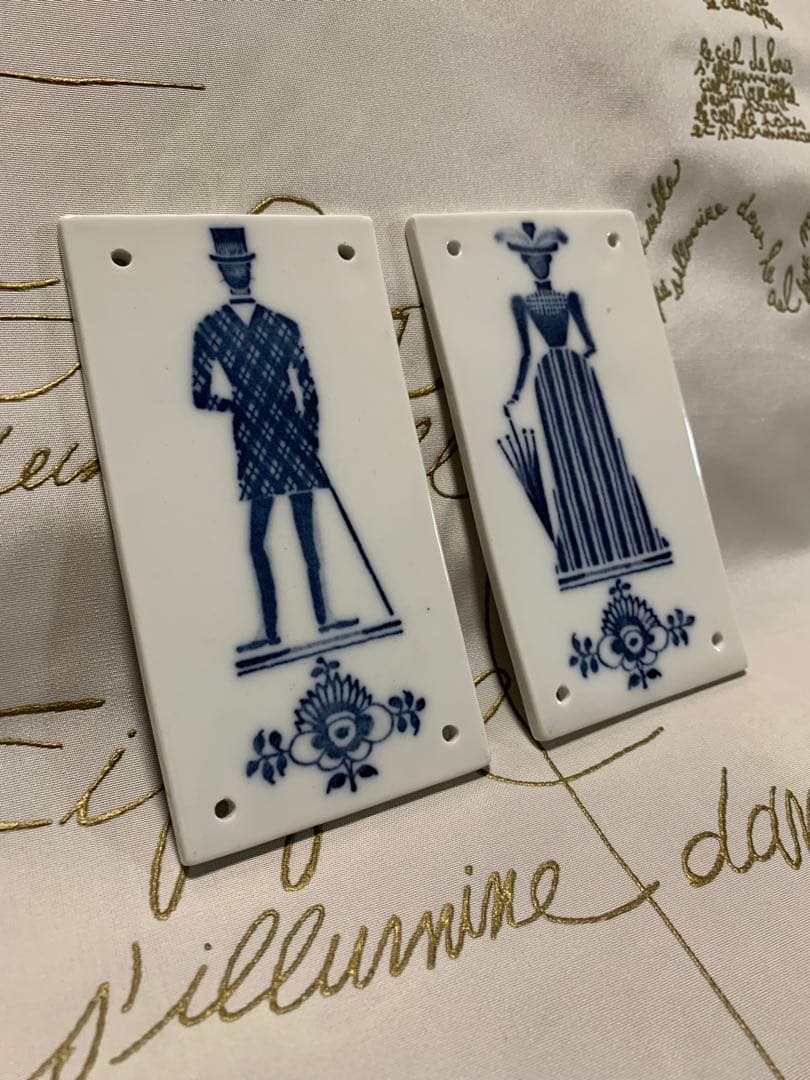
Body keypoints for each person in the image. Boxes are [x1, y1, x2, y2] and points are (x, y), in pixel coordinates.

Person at [192, 226, 357, 644]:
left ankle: (323, 618)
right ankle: (270, 629)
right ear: (221, 271)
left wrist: (311, 432)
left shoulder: (284, 325)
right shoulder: (210, 329)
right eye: (229, 266)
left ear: (249, 266)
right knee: (258, 540)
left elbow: (308, 386)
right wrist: (237, 405)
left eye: (240, 265)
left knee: (306, 533)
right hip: (255, 440)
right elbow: (199, 394)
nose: (236, 272)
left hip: (290, 436)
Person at [497, 221, 672, 591]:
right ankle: (599, 543)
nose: (538, 265)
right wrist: (515, 394)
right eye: (533, 261)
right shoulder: (538, 302)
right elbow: (535, 352)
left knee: (597, 449)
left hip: (561, 375)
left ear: (546, 261)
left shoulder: (555, 300)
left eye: (541, 260)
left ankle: (617, 540)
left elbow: (582, 344)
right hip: (565, 375)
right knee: (573, 454)